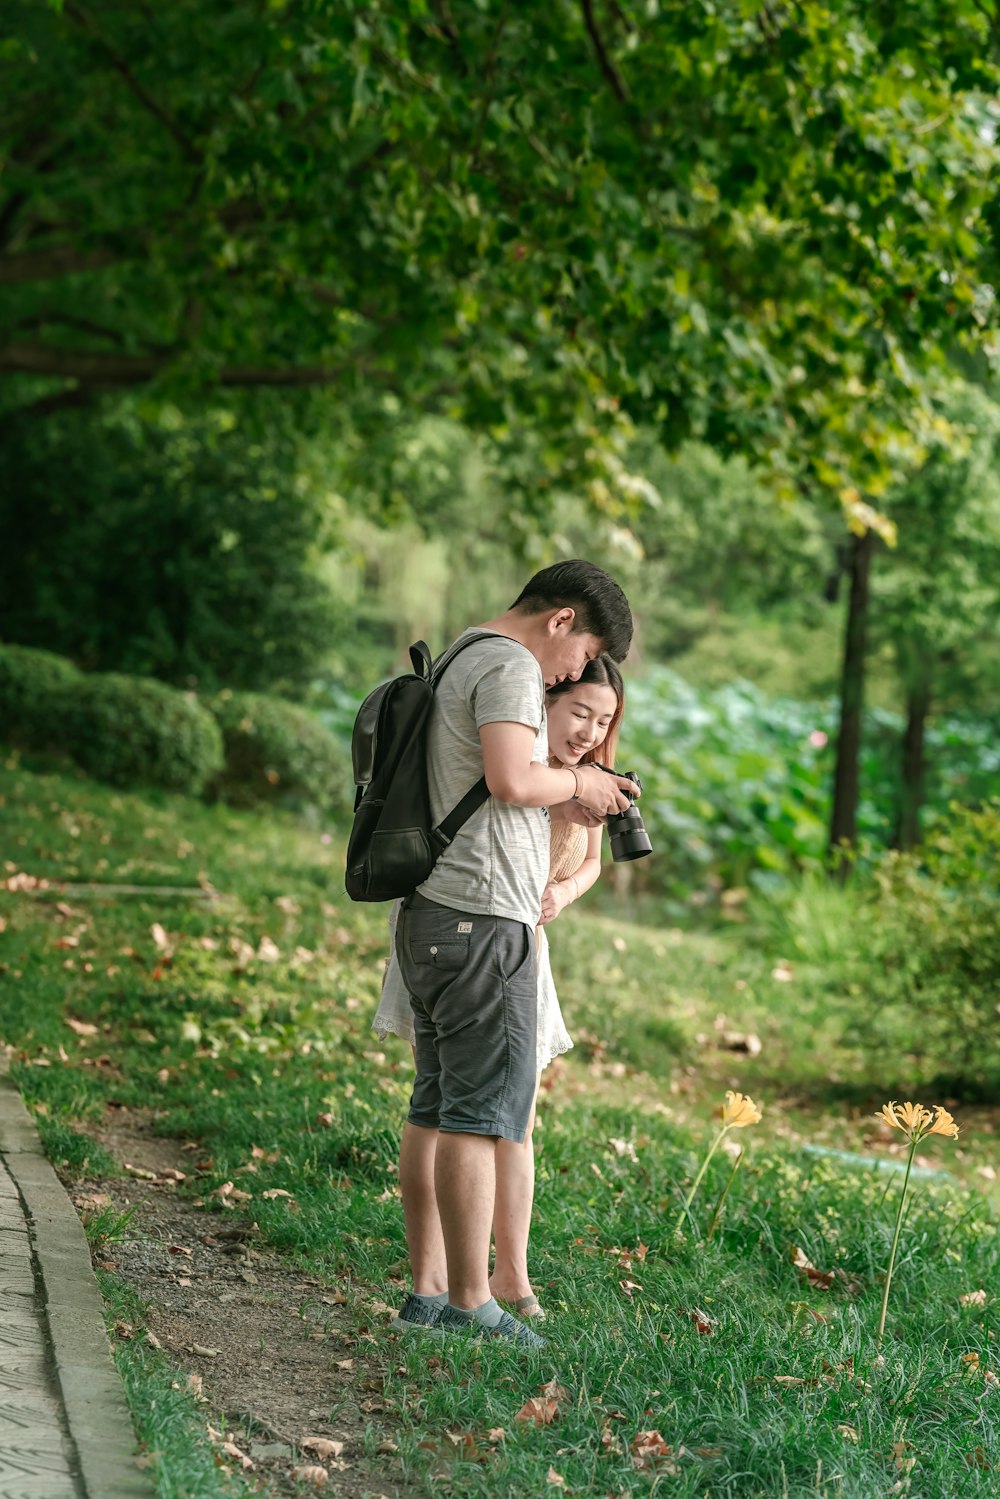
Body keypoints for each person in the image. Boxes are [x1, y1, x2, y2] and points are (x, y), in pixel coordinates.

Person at [388, 560, 635, 1348]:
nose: (572, 671)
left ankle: (427, 1295)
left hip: (434, 914)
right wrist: (581, 788)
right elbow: (509, 777)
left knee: (434, 1104)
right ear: (561, 620)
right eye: (582, 649)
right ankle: (471, 1303)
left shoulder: (463, 649)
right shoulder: (506, 665)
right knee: (475, 1115)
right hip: (481, 915)